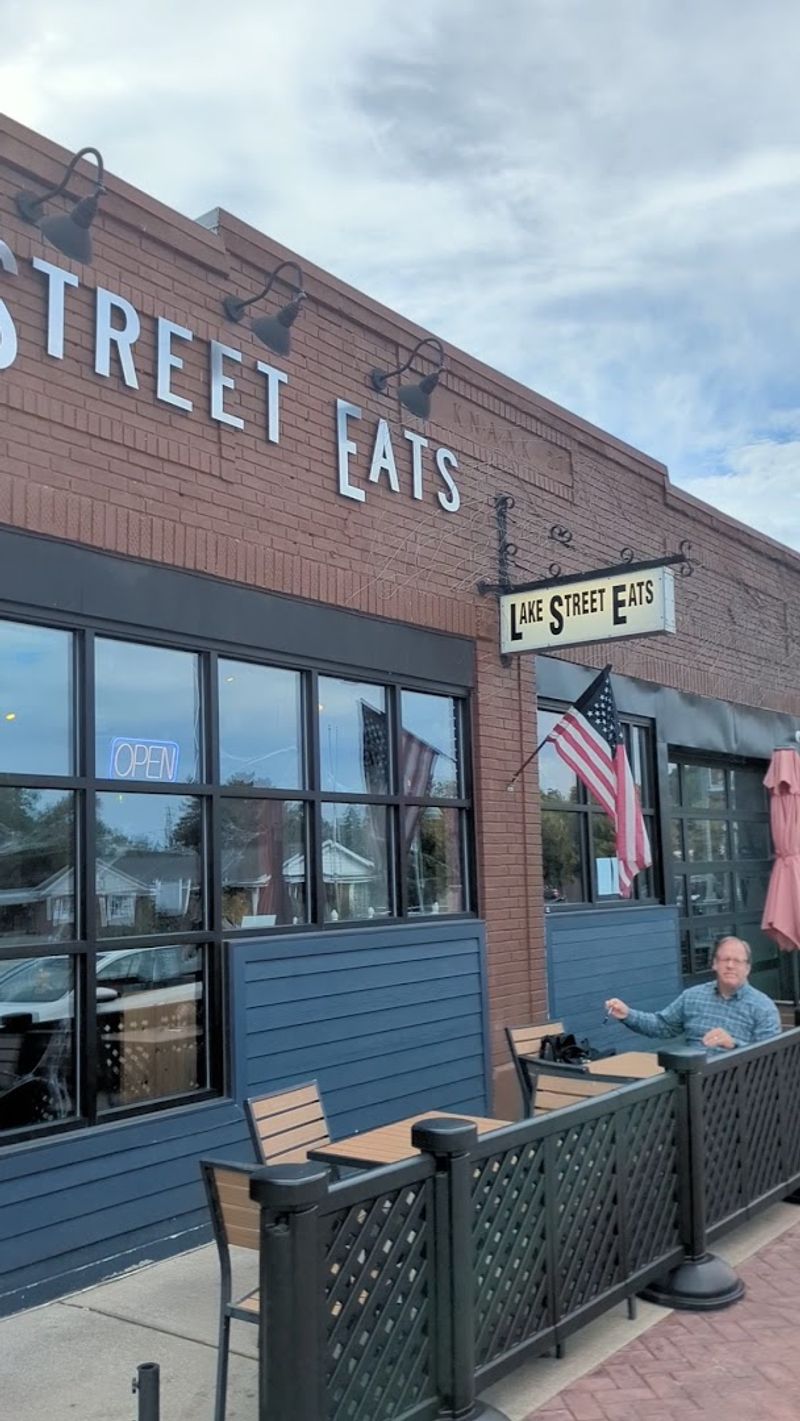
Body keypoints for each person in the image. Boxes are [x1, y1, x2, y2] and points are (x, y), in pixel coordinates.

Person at [604, 936, 781, 1050]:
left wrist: (734, 1045)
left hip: (739, 1089)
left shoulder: (763, 1007)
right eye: (725, 959)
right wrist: (627, 1014)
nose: (730, 965)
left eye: (737, 961)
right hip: (692, 1083)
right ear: (714, 964)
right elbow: (662, 1025)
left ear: (748, 968)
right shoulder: (693, 997)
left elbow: (772, 1057)